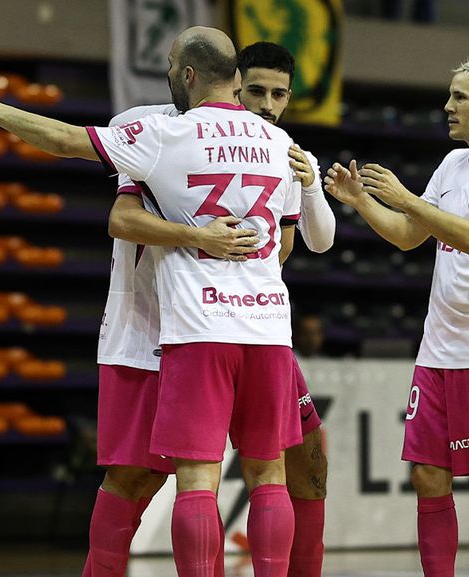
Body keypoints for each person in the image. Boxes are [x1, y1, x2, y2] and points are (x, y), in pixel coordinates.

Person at [0, 26, 303, 577]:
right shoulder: (279, 146)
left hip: (195, 326)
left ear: (187, 74)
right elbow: (127, 220)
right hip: (223, 325)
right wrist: (210, 237)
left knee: (198, 478)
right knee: (229, 472)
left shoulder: (161, 135)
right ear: (237, 80)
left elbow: (68, 141)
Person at [107, 41, 334, 577]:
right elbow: (122, 217)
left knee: (306, 456)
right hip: (163, 328)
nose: (267, 104)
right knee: (144, 475)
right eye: (254, 90)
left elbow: (299, 244)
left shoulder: (281, 146)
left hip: (250, 323)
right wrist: (199, 236)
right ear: (228, 83)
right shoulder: (156, 128)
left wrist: (312, 185)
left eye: (279, 94)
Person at [324, 55, 469, 577]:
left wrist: (409, 199)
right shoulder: (451, 165)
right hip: (436, 349)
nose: (448, 106)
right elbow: (411, 234)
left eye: (460, 96)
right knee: (427, 476)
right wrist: (363, 202)